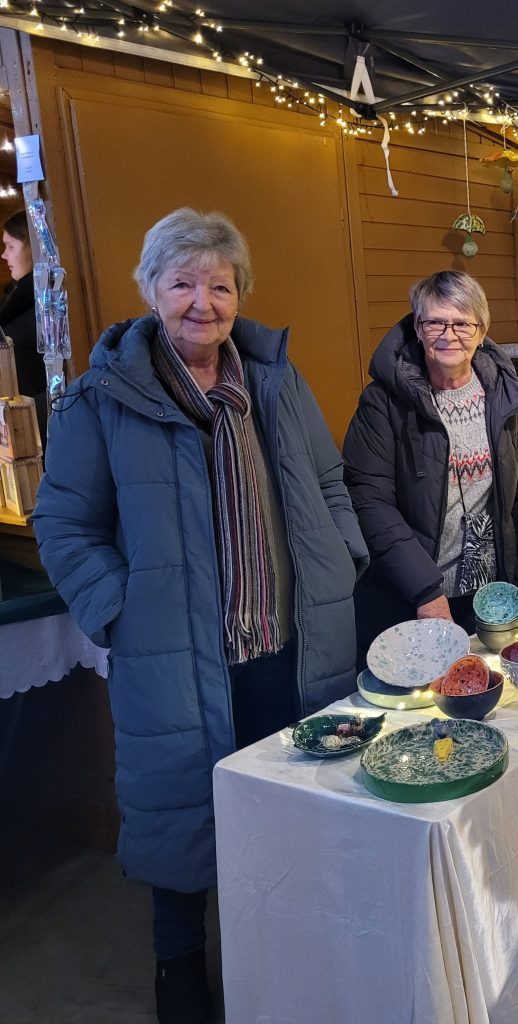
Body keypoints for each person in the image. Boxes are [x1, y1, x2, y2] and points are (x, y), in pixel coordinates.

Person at [32, 208, 369, 1024]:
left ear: (239, 295)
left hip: (286, 645)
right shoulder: (100, 399)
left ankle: (284, 948)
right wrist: (120, 611)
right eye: (182, 283)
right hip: (177, 653)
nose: (201, 303)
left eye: (220, 286)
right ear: (151, 289)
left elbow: (329, 481)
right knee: (180, 808)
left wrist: (344, 557)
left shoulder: (276, 380)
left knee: (294, 804)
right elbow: (64, 524)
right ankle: (178, 962)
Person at [343, 270, 518, 654]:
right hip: (409, 597)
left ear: (482, 331)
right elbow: (370, 502)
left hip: (492, 598)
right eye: (435, 322)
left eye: (462, 324)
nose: (448, 335)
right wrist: (425, 591)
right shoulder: (382, 403)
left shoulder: (511, 400)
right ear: (417, 329)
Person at [0, 210, 47, 440]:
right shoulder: (20, 298)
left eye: (10, 246)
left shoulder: (42, 301)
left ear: (31, 247)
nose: (4, 255)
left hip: (38, 426)